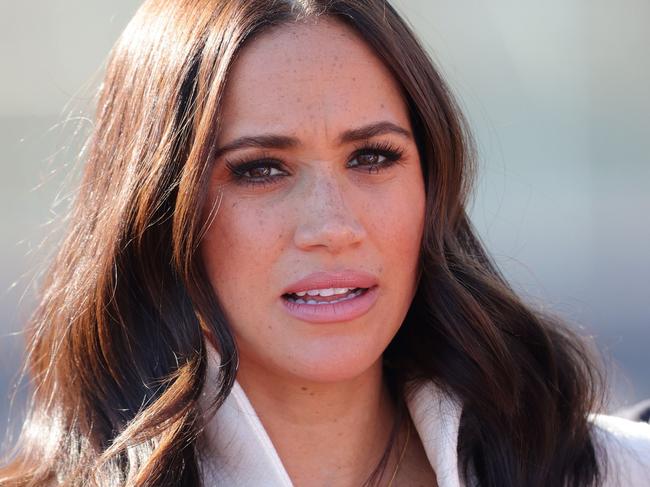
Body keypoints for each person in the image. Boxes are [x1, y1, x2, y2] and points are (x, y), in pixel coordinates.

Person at [2, 1, 649, 486]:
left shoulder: (613, 470)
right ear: (158, 208)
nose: (333, 225)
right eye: (260, 168)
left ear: (432, 182)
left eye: (372, 156)